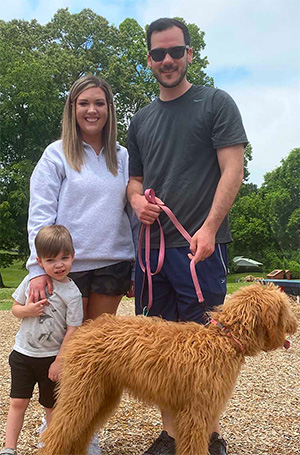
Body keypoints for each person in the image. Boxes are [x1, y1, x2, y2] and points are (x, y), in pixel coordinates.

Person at [127, 18, 248, 455]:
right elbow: (134, 182)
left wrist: (210, 229)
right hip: (153, 253)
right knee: (162, 349)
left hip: (201, 249)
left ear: (189, 54)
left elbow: (233, 169)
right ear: (149, 60)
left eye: (175, 51)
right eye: (158, 54)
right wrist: (137, 201)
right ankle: (172, 434)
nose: (167, 60)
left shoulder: (216, 103)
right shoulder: (140, 120)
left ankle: (207, 432)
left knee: (208, 350)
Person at [26, 74, 138, 455]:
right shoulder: (56, 154)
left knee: (93, 356)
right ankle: (56, 424)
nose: (92, 110)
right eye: (84, 103)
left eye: (100, 103)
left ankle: (85, 431)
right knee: (61, 351)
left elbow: (134, 213)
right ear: (72, 109)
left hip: (112, 264)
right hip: (64, 267)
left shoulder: (122, 158)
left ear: (110, 110)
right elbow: (40, 213)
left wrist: (138, 266)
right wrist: (37, 268)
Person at [0, 225, 83, 455]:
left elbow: (73, 329)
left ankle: (51, 449)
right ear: (39, 261)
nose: (59, 265)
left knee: (52, 407)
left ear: (73, 256)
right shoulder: (30, 281)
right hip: (23, 355)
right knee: (17, 403)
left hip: (50, 360)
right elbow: (15, 309)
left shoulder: (72, 293)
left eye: (65, 258)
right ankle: (9, 447)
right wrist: (28, 310)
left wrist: (60, 360)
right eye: (51, 259)